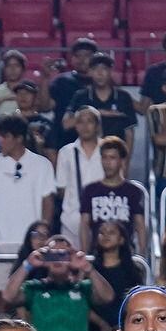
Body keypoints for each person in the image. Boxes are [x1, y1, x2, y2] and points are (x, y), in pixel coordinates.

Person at [0, 116, 58, 272]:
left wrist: (42, 237)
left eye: (4, 137)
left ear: (19, 138)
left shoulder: (42, 165)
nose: (0, 141)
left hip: (31, 246)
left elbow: (48, 203)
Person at [77, 135, 147, 258]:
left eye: (112, 158)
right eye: (104, 157)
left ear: (122, 161)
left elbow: (140, 225)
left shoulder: (133, 191)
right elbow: (84, 224)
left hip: (125, 255)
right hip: (97, 254)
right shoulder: (90, 190)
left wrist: (142, 254)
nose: (107, 163)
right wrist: (84, 253)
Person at [53, 102, 106, 244]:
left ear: (97, 125)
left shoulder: (108, 150)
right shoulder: (66, 152)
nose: (85, 126)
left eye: (90, 121)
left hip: (103, 222)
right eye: (80, 122)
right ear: (75, 126)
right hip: (71, 221)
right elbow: (61, 188)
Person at [87, 219, 146, 331]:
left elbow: (136, 305)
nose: (106, 235)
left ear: (121, 239)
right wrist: (102, 324)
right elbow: (83, 304)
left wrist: (122, 327)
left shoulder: (133, 272)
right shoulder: (90, 270)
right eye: (102, 232)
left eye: (111, 232)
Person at [62, 53, 136, 148]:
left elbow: (129, 132)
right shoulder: (80, 96)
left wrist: (126, 160)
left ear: (110, 71)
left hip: (114, 156)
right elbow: (66, 124)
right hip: (87, 153)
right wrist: (97, 113)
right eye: (95, 69)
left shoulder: (123, 97)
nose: (100, 73)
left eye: (104, 69)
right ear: (90, 72)